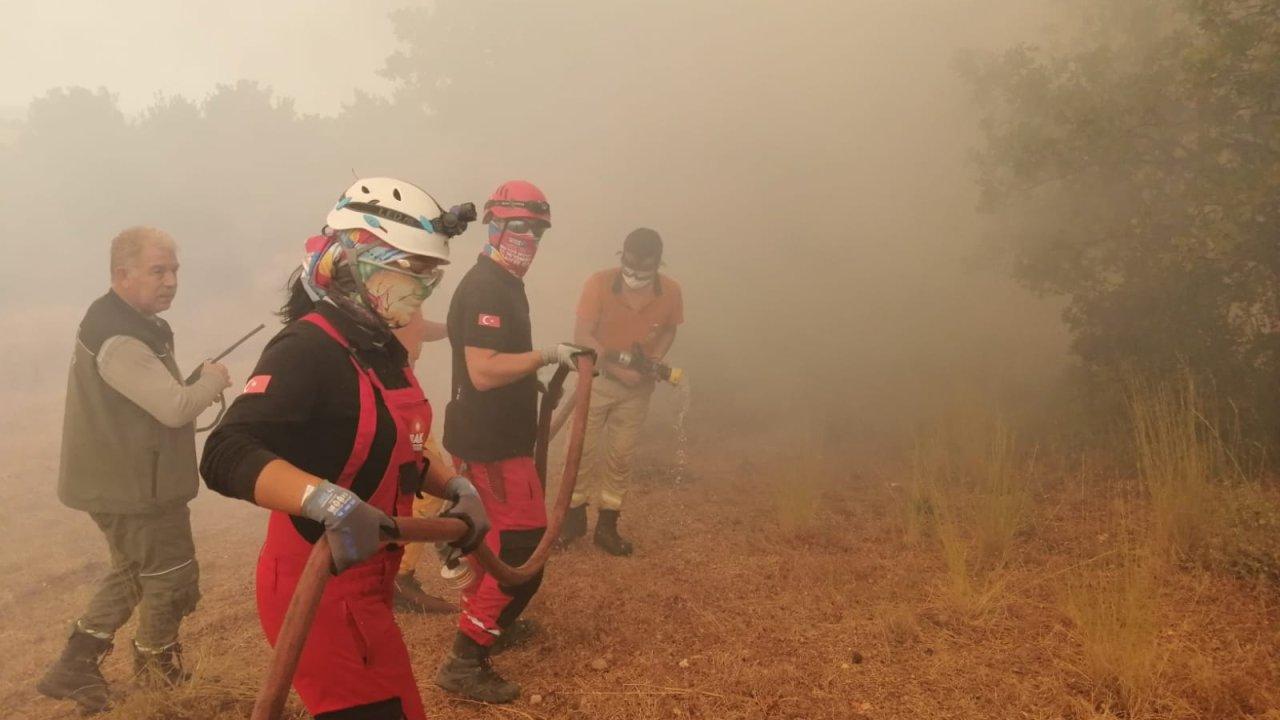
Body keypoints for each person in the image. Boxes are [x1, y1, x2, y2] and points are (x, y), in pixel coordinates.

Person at [200, 178, 489, 720]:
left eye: (429, 277)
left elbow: (404, 446)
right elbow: (225, 451)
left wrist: (454, 486)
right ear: (353, 263)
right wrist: (331, 503)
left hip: (368, 580)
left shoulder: (379, 343)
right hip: (316, 585)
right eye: (410, 275)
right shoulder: (307, 347)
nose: (421, 292)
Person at [38, 226, 232, 714]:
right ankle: (159, 677)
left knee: (131, 573)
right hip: (134, 488)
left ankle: (74, 664)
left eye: (174, 270)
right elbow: (173, 408)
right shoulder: (119, 337)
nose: (170, 281)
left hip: (120, 480)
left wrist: (189, 386)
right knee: (172, 575)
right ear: (122, 275)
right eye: (157, 270)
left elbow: (150, 402)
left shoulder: (127, 321)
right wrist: (212, 380)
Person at [434, 179, 592, 704]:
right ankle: (466, 657)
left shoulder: (504, 283)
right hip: (488, 444)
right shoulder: (484, 287)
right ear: (495, 224)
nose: (529, 238)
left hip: (501, 439)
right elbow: (482, 370)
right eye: (520, 226)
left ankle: (492, 623)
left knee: (496, 552)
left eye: (538, 230)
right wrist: (547, 355)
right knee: (522, 555)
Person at [563, 228, 683, 555]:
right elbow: (582, 334)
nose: (635, 274)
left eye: (643, 269)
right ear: (622, 256)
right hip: (597, 379)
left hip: (637, 391)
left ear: (658, 264)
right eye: (629, 265)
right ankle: (572, 520)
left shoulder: (671, 292)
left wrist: (653, 360)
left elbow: (670, 328)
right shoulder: (599, 283)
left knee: (620, 456)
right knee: (581, 450)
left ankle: (607, 526)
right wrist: (616, 369)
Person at [389, 310, 458, 614]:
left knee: (410, 483)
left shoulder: (400, 297)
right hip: (398, 407)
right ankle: (399, 577)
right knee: (424, 486)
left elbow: (416, 327)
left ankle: (394, 573)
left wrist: (452, 327)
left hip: (405, 402)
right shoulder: (387, 295)